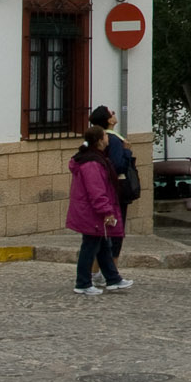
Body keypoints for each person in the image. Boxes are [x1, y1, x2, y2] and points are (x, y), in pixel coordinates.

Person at [67, 125, 134, 296]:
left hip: (91, 211)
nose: (107, 138)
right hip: (91, 213)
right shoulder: (92, 163)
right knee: (89, 246)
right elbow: (96, 191)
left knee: (104, 244)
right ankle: (82, 283)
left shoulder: (94, 159)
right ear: (99, 141)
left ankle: (113, 279)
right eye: (105, 135)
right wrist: (106, 211)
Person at [90, 105, 135, 265]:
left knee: (102, 231)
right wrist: (127, 152)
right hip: (116, 189)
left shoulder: (96, 140)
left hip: (102, 187)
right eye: (111, 113)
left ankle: (98, 271)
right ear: (108, 120)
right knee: (116, 230)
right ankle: (112, 271)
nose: (114, 114)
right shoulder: (115, 140)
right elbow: (118, 166)